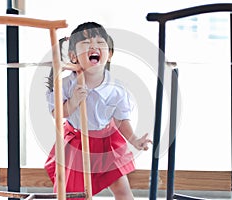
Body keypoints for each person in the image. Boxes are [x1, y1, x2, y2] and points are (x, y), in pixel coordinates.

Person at [45, 22, 152, 200]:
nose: (93, 46)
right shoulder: (66, 85)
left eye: (100, 43)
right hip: (76, 143)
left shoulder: (116, 88)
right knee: (74, 193)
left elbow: (121, 120)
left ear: (109, 54)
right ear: (73, 56)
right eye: (86, 43)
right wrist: (72, 102)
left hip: (106, 142)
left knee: (122, 189)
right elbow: (57, 114)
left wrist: (134, 140)